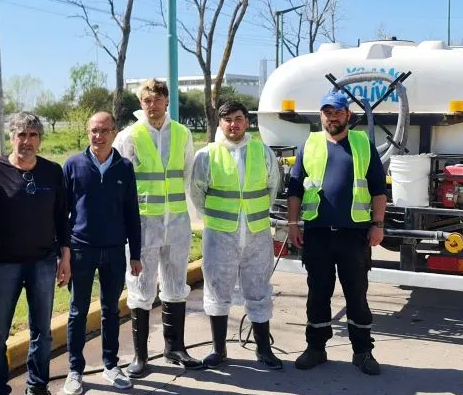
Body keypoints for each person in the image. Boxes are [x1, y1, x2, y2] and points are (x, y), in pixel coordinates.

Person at [0, 112, 71, 395]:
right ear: (10, 137)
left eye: (32, 135)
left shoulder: (52, 172)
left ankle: (37, 393)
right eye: (20, 135)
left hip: (42, 263)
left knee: (42, 331)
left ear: (40, 139)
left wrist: (64, 257)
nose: (26, 141)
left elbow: (61, 219)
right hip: (3, 264)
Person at [285, 90, 388, 376]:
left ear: (348, 116)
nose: (332, 117)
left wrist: (378, 225)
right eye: (327, 112)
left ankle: (363, 351)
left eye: (338, 112)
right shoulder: (311, 143)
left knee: (356, 295)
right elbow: (294, 188)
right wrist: (293, 225)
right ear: (321, 116)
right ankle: (316, 348)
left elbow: (379, 189)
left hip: (353, 235)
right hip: (317, 233)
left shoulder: (363, 144)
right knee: (318, 294)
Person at [112, 78, 203, 376]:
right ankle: (140, 355)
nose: (153, 106)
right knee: (140, 286)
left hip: (176, 221)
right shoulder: (129, 136)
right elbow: (118, 181)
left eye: (158, 99)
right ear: (142, 104)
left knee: (176, 283)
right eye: (147, 101)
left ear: (167, 101)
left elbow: (188, 173)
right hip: (143, 225)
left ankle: (174, 347)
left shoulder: (182, 133)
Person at [189, 101, 283, 370]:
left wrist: (254, 214)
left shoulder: (262, 152)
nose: (233, 124)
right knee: (217, 290)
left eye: (238, 118)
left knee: (259, 289)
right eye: (227, 119)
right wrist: (217, 218)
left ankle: (263, 350)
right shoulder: (207, 155)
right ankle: (218, 350)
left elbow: (272, 187)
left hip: (256, 233)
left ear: (247, 122)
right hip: (221, 234)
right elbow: (197, 193)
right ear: (220, 123)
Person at [61, 111, 143, 395]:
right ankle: (75, 371)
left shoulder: (124, 167)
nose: (99, 136)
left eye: (104, 130)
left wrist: (136, 254)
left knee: (110, 310)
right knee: (77, 311)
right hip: (80, 250)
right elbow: (61, 214)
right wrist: (63, 253)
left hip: (113, 250)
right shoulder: (72, 165)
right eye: (94, 131)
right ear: (88, 133)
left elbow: (132, 212)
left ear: (114, 132)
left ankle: (111, 364)